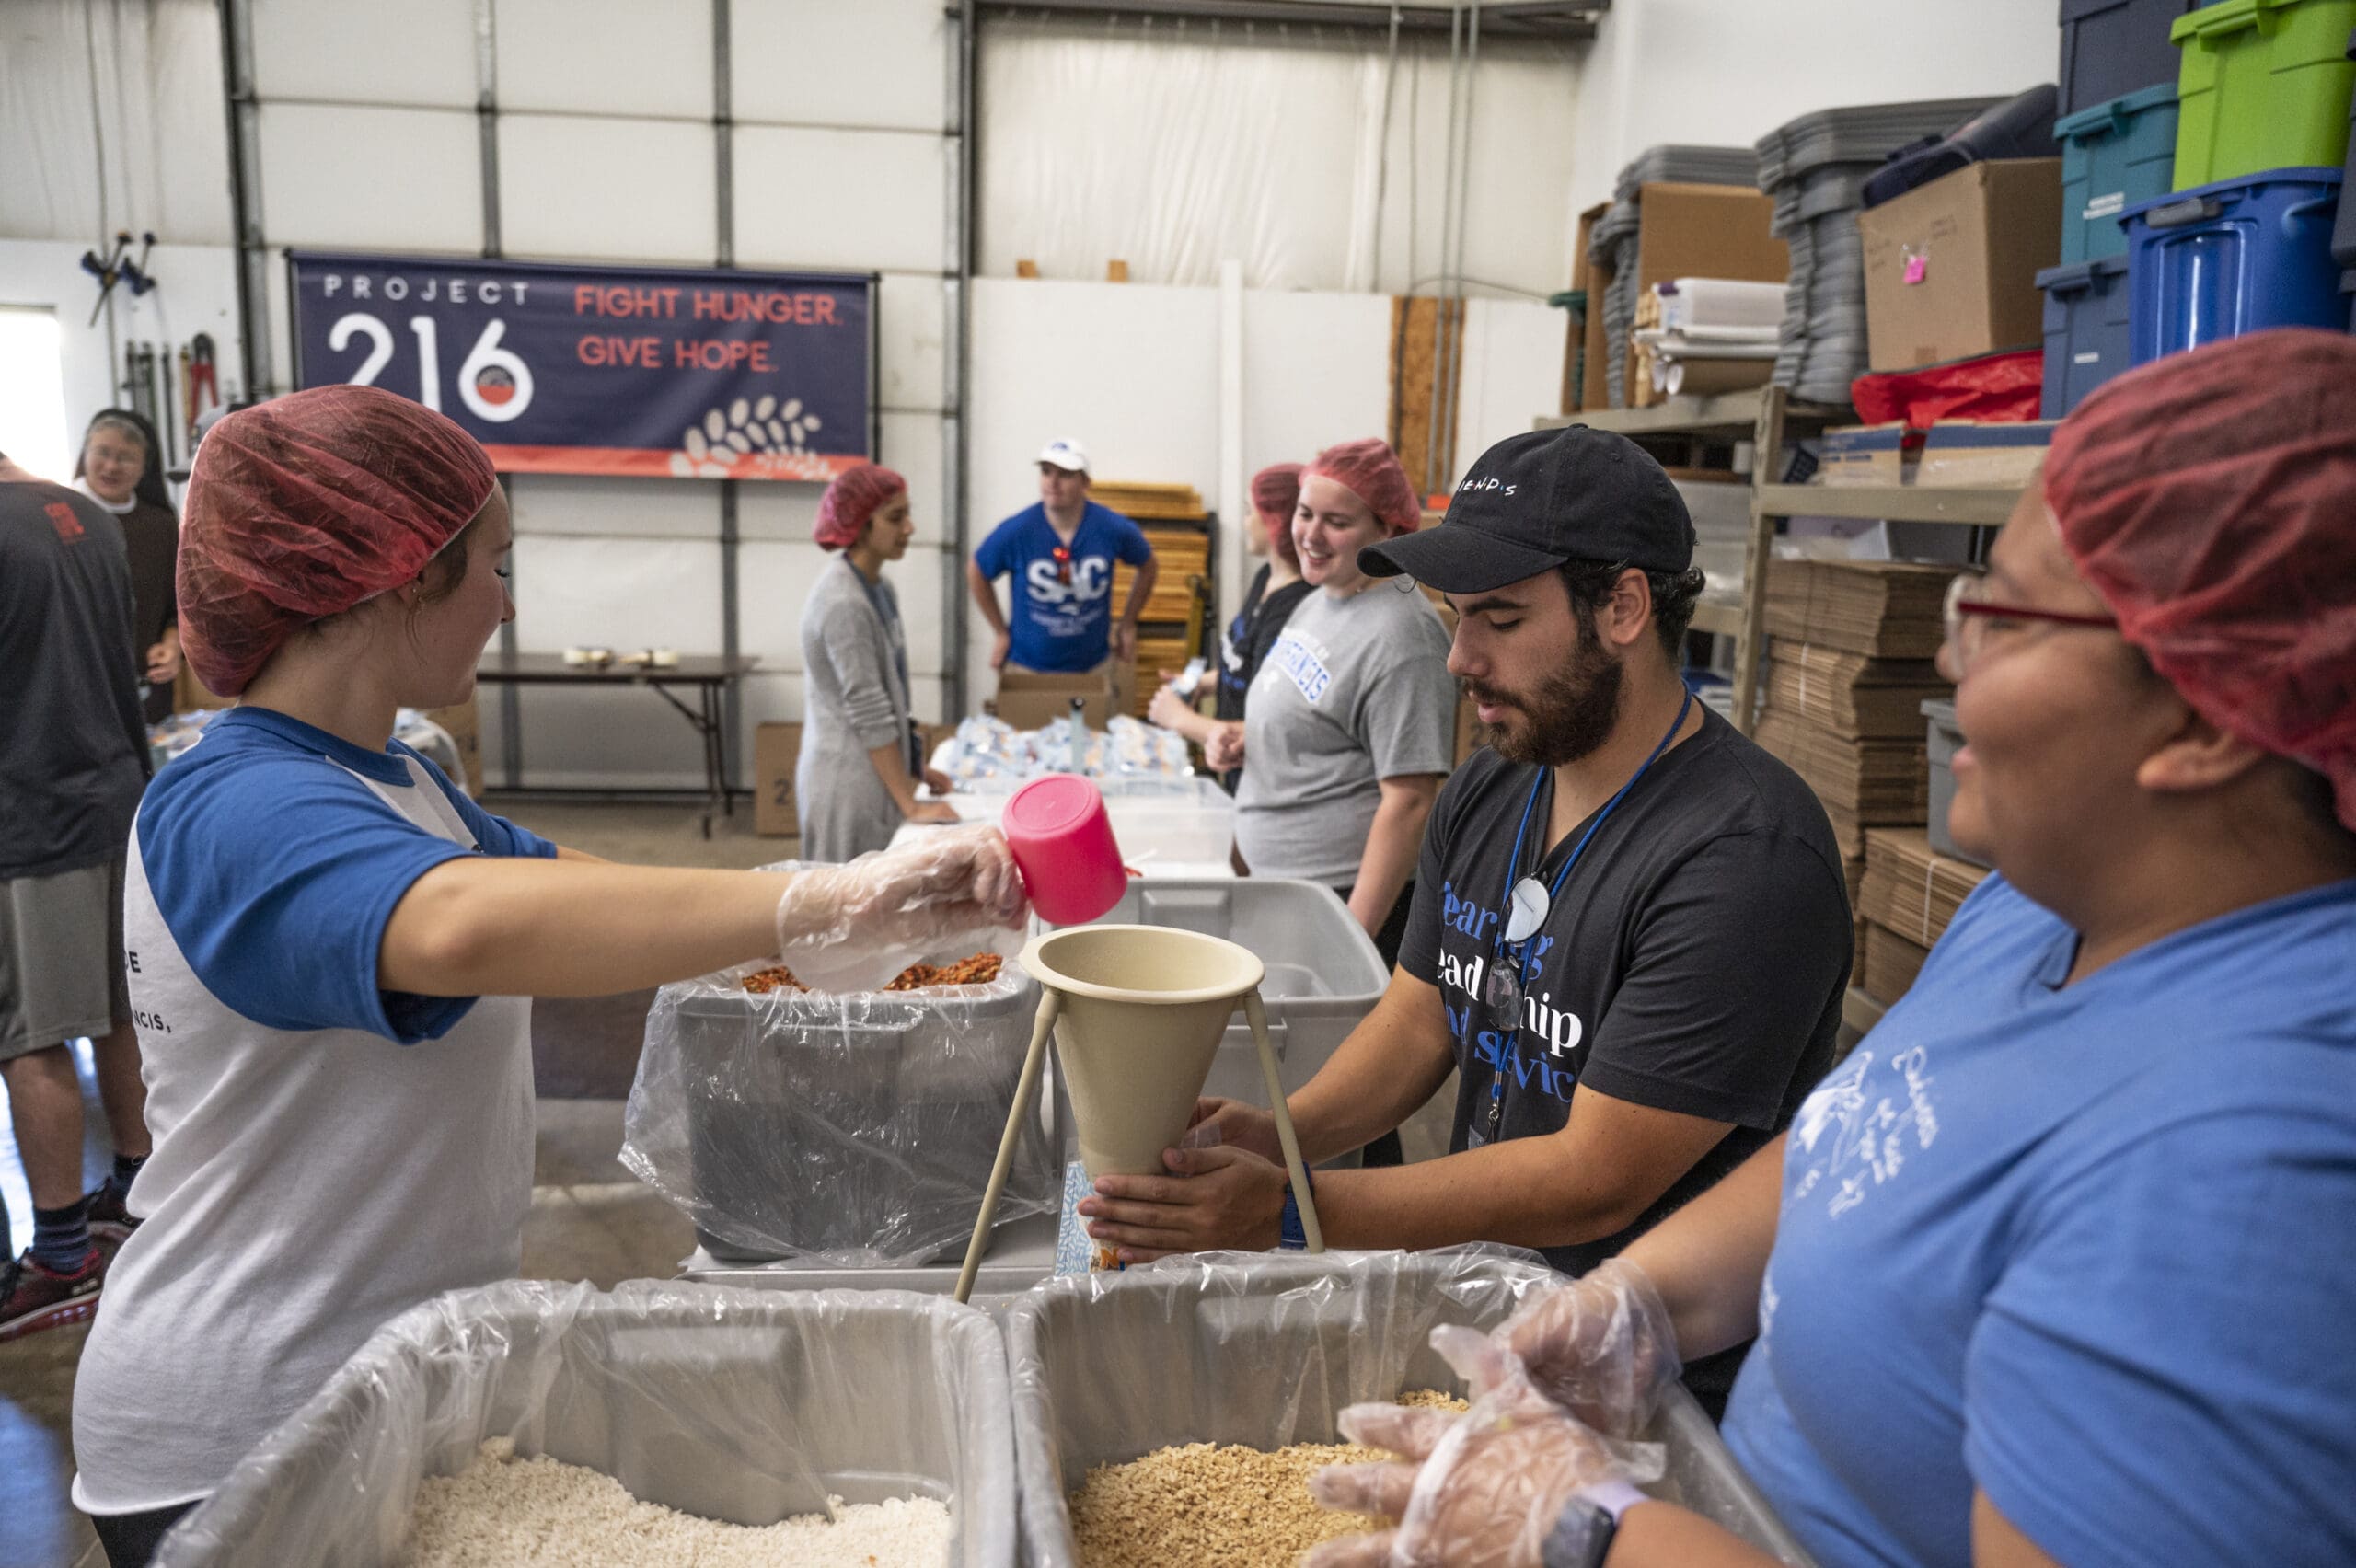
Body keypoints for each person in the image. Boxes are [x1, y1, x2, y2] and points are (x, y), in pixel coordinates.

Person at [1295, 329, 2356, 1568]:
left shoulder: (2246, 1166)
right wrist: (1635, 1304)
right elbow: (1863, 1137)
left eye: (2002, 618)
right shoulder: (2037, 908)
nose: (1950, 660)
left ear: (2201, 720)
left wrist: (1583, 1528)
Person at [69, 386, 1026, 1567]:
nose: (508, 604)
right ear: (402, 573)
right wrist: (818, 902)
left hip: (388, 1390)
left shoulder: (400, 785)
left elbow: (589, 890)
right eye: (494, 565)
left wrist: (869, 905)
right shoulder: (229, 798)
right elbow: (461, 926)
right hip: (244, 1429)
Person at [1080, 426, 1853, 1416]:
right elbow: (1422, 1019)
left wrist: (1284, 1208)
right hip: (1490, 1306)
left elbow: (1594, 1177)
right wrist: (1279, 1132)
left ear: (1622, 606)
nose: (1457, 658)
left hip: (1649, 1372)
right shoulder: (1496, 785)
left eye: (1497, 617)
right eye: (1452, 616)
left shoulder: (1743, 857)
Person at [0, 451, 155, 1343]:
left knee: (30, 1036)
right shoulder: (88, 516)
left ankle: (60, 1259)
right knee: (118, 1011)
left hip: (28, 819)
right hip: (115, 803)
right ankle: (136, 1189)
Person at [1208, 439, 1455, 965]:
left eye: (1337, 522)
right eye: (1304, 514)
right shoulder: (1324, 596)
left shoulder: (1403, 636)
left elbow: (1410, 802)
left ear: (1387, 529)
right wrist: (1251, 738)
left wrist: (1349, 944)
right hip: (1278, 882)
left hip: (1335, 898)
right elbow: (1326, 716)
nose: (1311, 536)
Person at [797, 461, 958, 860]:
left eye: (908, 513)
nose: (910, 528)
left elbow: (892, 693)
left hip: (875, 774)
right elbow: (868, 707)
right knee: (844, 908)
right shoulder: (843, 604)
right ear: (859, 525)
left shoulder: (878, 588)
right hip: (846, 784)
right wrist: (911, 804)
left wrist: (914, 766)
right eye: (895, 517)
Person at [1149, 461, 1311, 793]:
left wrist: (1179, 718)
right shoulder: (1266, 577)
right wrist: (1203, 682)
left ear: (1275, 522)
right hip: (1238, 777)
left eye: (1250, 512)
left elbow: (1273, 727)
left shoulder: (1294, 607)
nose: (1245, 522)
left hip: (1266, 783)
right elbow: (1247, 665)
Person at [967, 439, 1157, 711]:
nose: (1052, 482)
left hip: (1093, 669)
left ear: (1085, 483)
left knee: (1091, 747)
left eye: (1065, 475)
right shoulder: (1018, 530)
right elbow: (977, 570)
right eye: (1046, 472)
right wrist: (1000, 631)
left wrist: (1128, 624)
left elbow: (1148, 565)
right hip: (1027, 669)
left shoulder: (1111, 528)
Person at [74, 409, 183, 724]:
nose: (111, 466)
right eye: (103, 453)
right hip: (77, 700)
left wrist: (173, 645)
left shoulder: (160, 525)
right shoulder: (56, 516)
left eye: (125, 458)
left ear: (144, 467)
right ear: (85, 454)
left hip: (149, 696)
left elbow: (179, 603)